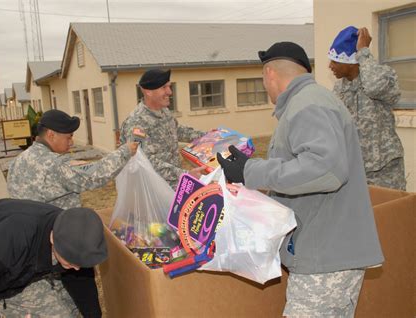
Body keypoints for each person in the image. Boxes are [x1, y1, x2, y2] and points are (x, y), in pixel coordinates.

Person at [217, 42, 384, 317]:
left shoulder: (308, 105)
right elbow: (302, 167)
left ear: (269, 73)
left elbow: (324, 169)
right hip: (329, 250)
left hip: (326, 257)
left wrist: (251, 172)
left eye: (262, 78)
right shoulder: (309, 101)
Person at [0, 198, 106, 317]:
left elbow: (79, 278)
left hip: (3, 281)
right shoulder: (8, 236)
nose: (76, 268)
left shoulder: (73, 233)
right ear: (51, 238)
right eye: (70, 261)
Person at [7, 109, 138, 209]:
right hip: (55, 234)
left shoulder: (17, 161)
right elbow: (97, 174)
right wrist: (125, 151)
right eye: (68, 137)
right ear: (51, 135)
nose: (71, 142)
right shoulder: (55, 164)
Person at [328, 26, 405, 190]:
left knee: (388, 214)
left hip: (385, 170)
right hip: (354, 169)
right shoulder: (338, 88)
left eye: (335, 60)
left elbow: (373, 87)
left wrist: (363, 51)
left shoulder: (383, 76)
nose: (330, 66)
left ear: (350, 62)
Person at [120, 69, 206, 189]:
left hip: (174, 186)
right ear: (148, 91)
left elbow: (176, 130)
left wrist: (208, 136)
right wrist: (185, 174)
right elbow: (143, 161)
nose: (170, 92)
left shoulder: (163, 111)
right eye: (164, 87)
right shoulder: (136, 123)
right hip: (155, 192)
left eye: (169, 87)